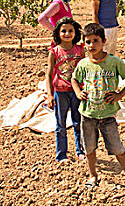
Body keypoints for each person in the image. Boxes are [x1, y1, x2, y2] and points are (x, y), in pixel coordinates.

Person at [71, 23, 125, 194]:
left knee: (118, 148)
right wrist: (78, 92)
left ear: (104, 41)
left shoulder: (113, 61)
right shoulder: (83, 64)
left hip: (108, 116)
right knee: (89, 148)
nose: (92, 45)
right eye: (88, 42)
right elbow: (75, 79)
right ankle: (92, 175)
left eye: (95, 41)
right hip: (87, 115)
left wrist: (120, 95)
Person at [45, 17, 86, 163]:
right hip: (60, 92)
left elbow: (84, 71)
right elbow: (49, 74)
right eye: (64, 31)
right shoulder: (54, 52)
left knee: (78, 121)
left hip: (77, 92)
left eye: (70, 31)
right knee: (60, 124)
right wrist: (50, 95)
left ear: (75, 33)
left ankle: (80, 151)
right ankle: (61, 154)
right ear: (58, 33)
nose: (67, 34)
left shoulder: (80, 50)